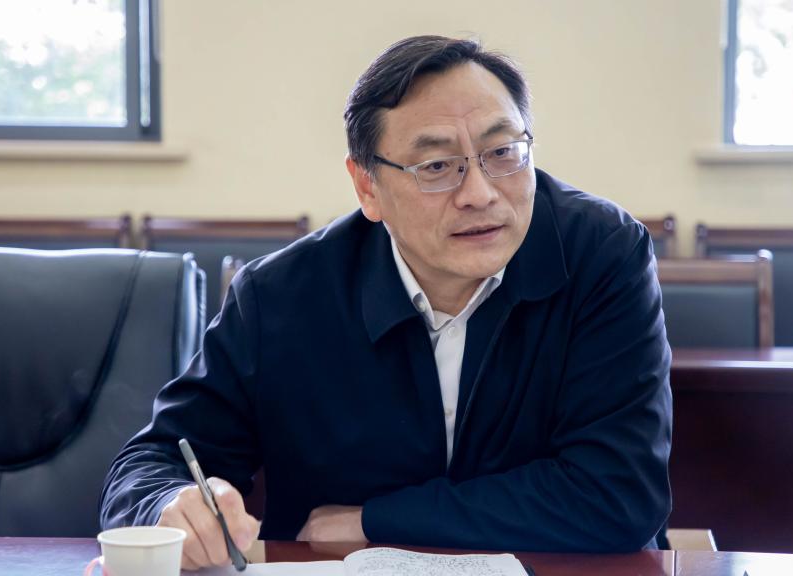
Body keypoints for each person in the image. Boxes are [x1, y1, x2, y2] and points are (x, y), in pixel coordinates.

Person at [100, 35, 672, 571]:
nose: (480, 193)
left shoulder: (601, 253)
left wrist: (376, 520)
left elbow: (619, 495)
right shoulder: (281, 297)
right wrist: (170, 504)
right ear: (367, 187)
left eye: (502, 152)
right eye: (436, 167)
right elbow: (152, 465)